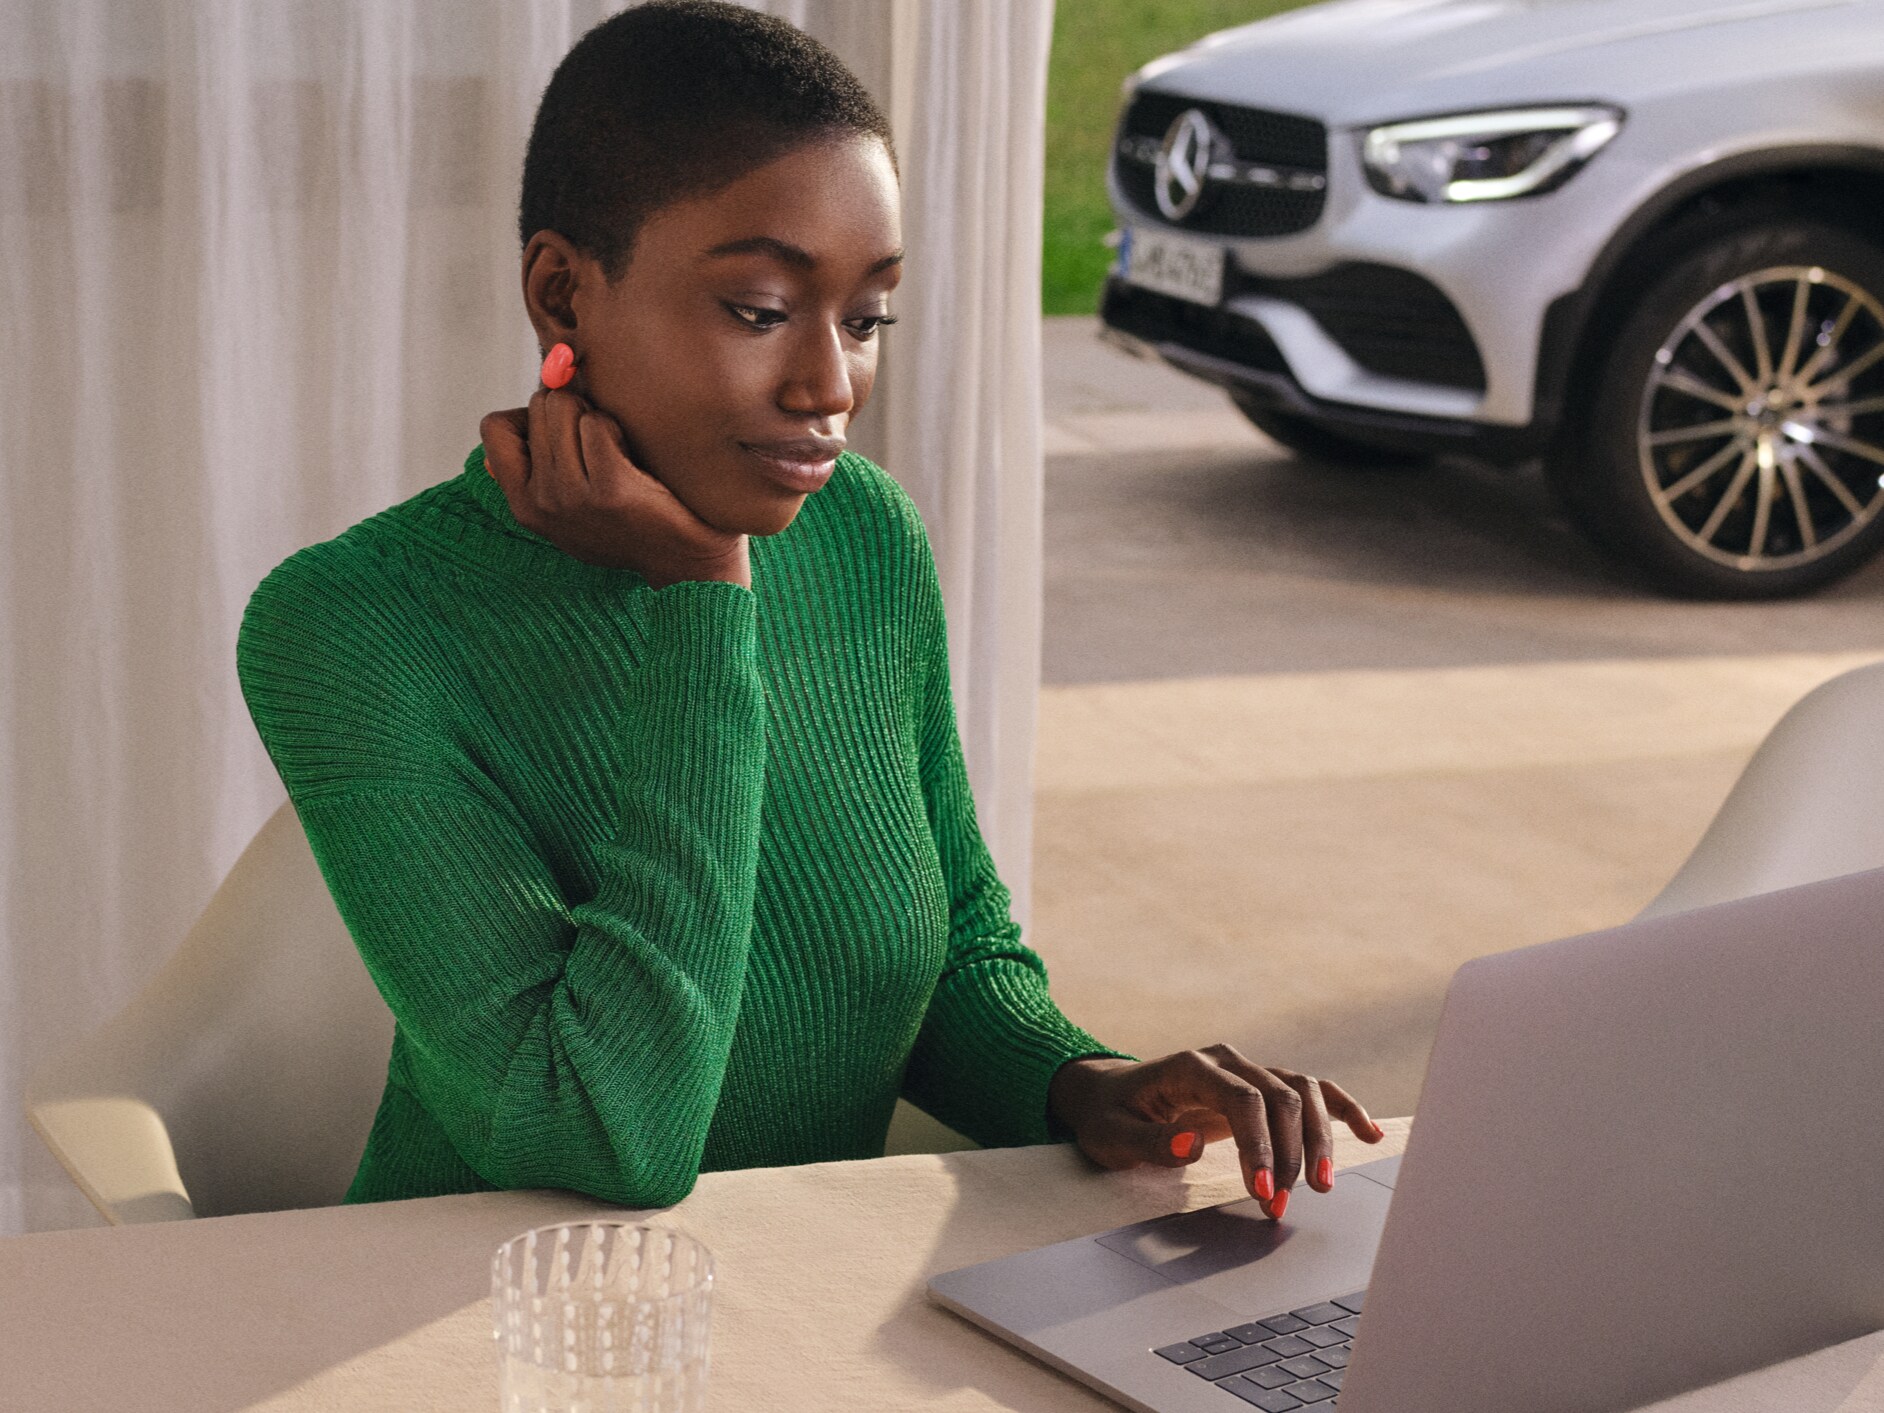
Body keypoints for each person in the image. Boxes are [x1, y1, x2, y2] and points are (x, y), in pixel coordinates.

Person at [236, 0, 1381, 1220]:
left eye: (867, 315)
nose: (830, 385)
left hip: (783, 1307)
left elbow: (941, 957)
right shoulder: (351, 627)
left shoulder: (863, 535)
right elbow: (608, 1132)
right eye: (761, 310)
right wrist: (698, 602)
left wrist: (1081, 1084)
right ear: (563, 295)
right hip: (477, 1331)